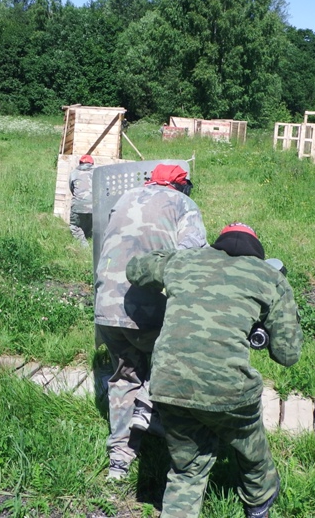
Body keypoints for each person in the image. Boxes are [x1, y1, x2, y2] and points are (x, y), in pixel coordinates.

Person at [125, 222, 302, 518]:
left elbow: (136, 269)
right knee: (251, 449)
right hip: (229, 388)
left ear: (218, 244)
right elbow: (287, 354)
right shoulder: (269, 277)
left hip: (169, 382)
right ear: (257, 252)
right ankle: (259, 504)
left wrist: (175, 258)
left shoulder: (185, 259)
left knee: (186, 468)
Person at [94, 163, 207, 480]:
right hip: (148, 309)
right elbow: (192, 253)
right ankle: (149, 407)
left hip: (106, 307)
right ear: (180, 186)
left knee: (123, 377)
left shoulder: (127, 196)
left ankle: (120, 457)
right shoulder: (183, 204)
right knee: (174, 360)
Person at [68, 154, 95, 246]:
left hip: (78, 204)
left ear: (80, 163)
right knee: (90, 223)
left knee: (74, 226)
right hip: (94, 206)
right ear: (92, 163)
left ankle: (84, 246)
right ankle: (88, 239)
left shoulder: (74, 173)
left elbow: (71, 188)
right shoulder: (97, 172)